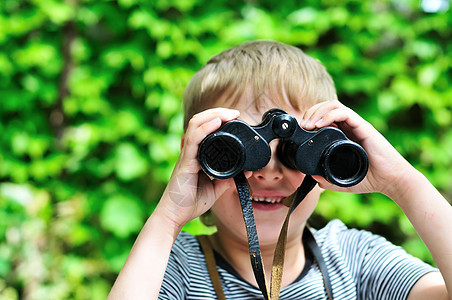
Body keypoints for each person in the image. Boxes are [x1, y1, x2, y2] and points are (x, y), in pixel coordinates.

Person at [107, 40, 451, 299]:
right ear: (198, 156)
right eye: (239, 151)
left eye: (294, 152)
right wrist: (167, 219)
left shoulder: (355, 261)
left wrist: (403, 182)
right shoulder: (173, 268)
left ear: (330, 155)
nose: (269, 173)